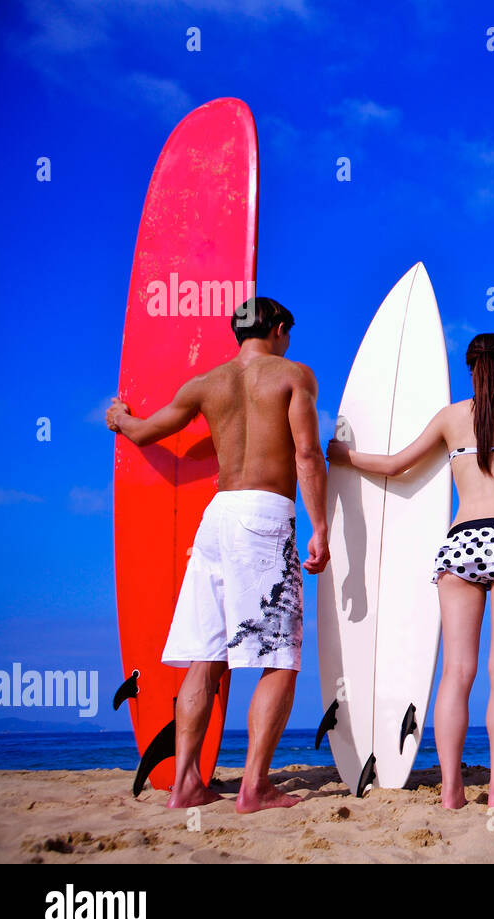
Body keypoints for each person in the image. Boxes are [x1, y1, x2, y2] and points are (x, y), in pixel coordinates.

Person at [107, 297, 329, 813]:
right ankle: (254, 787)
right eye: (287, 334)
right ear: (278, 329)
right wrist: (319, 526)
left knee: (206, 658)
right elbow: (306, 454)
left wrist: (120, 418)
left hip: (216, 518)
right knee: (280, 659)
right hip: (266, 517)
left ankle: (185, 783)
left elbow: (146, 432)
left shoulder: (206, 384)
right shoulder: (293, 375)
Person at [327, 333, 494, 809]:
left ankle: (450, 790)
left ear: (473, 371)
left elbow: (397, 466)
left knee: (456, 671)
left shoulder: (449, 419)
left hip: (462, 540)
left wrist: (346, 458)